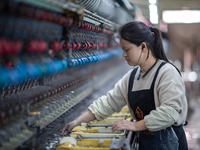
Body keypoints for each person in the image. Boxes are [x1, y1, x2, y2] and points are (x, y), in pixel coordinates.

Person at [62, 21, 188, 150]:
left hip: (169, 142)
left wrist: (134, 126)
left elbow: (169, 113)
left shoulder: (167, 72)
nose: (124, 54)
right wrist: (77, 121)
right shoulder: (132, 77)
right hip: (147, 142)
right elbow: (108, 103)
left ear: (143, 47)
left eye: (127, 49)